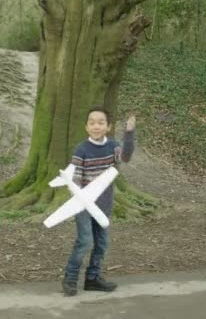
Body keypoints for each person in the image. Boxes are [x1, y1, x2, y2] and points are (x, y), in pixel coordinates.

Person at [61, 105, 136, 296]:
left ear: (108, 127)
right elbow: (76, 176)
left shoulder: (112, 147)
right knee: (85, 241)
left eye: (101, 123)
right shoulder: (81, 149)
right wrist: (79, 194)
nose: (96, 126)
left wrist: (129, 132)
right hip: (84, 205)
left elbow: (125, 157)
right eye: (92, 123)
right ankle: (70, 278)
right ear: (87, 127)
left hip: (104, 203)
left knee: (101, 243)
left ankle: (93, 278)